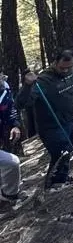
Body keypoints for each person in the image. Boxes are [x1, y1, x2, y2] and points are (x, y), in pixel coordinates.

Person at [17, 50, 73, 189]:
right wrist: (27, 85)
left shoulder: (71, 71)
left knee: (67, 150)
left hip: (70, 120)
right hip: (51, 126)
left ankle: (61, 178)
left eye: (69, 67)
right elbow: (22, 103)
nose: (65, 70)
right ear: (55, 62)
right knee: (61, 152)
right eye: (62, 67)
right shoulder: (42, 80)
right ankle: (54, 184)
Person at [0, 73, 22, 203]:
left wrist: (15, 125)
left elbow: (10, 108)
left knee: (11, 163)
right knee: (11, 162)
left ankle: (8, 196)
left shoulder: (5, 89)